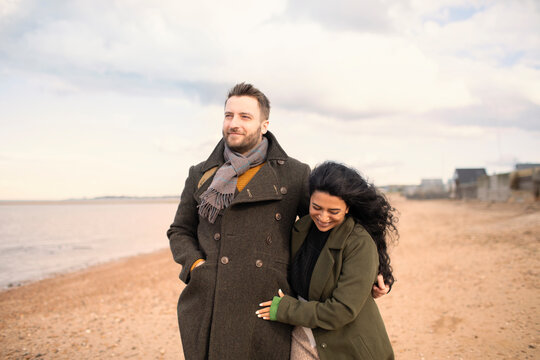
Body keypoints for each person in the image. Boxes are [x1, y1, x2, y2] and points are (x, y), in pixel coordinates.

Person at [167, 83, 390, 360]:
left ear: (264, 125)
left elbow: (334, 223)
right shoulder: (200, 173)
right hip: (210, 297)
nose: (234, 124)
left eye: (245, 117)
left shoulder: (294, 174)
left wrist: (376, 268)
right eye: (228, 115)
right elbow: (179, 230)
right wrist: (196, 267)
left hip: (266, 302)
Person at [257, 161, 397, 360]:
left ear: (348, 207)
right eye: (317, 207)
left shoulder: (359, 243)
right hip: (302, 338)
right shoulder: (300, 229)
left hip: (349, 348)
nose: (323, 217)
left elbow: (341, 311)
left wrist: (286, 310)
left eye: (334, 211)